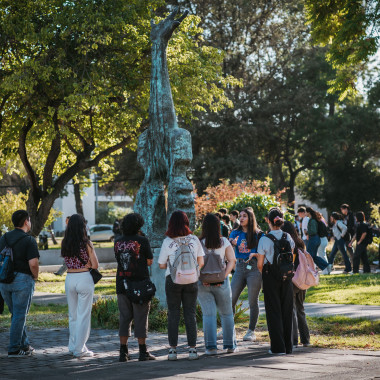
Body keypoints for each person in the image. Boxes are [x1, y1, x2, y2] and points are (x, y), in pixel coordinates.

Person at [158, 211, 204, 361]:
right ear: (187, 222)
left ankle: (172, 351)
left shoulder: (167, 242)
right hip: (191, 280)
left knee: (173, 313)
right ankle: (192, 350)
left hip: (173, 281)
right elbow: (201, 262)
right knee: (190, 313)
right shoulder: (194, 239)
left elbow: (161, 265)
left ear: (170, 223)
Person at [114, 213, 156, 362]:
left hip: (122, 283)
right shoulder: (142, 240)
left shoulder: (117, 242)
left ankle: (123, 352)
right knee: (141, 316)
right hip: (140, 284)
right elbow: (150, 261)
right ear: (138, 226)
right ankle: (142, 351)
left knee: (124, 318)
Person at [0, 210, 39, 357]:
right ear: (26, 221)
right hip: (22, 280)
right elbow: (33, 263)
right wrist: (35, 277)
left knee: (16, 314)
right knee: (19, 315)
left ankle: (25, 344)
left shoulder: (3, 238)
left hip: (4, 281)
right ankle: (14, 348)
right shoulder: (29, 240)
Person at [197, 213, 237, 355]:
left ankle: (211, 347)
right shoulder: (224, 241)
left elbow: (196, 264)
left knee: (209, 315)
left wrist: (203, 278)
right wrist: (223, 276)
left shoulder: (199, 242)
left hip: (203, 283)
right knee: (226, 314)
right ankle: (230, 345)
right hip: (222, 283)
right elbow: (232, 260)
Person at [256, 207, 294, 355]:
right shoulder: (288, 237)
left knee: (274, 312)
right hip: (287, 277)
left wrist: (265, 273)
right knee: (287, 311)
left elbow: (260, 264)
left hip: (270, 276)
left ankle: (277, 348)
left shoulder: (265, 239)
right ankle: (288, 346)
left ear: (269, 221)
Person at [61, 214, 99, 358]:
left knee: (73, 315)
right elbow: (95, 265)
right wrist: (88, 263)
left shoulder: (65, 242)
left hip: (70, 278)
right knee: (83, 315)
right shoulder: (87, 243)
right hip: (84, 278)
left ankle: (72, 346)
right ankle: (79, 349)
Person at [229, 208, 263, 342]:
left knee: (252, 301)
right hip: (239, 267)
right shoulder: (235, 232)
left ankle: (251, 331)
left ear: (251, 218)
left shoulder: (258, 234)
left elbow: (264, 253)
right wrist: (232, 242)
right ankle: (228, 328)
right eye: (240, 216)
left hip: (253, 269)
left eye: (245, 216)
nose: (241, 218)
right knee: (230, 299)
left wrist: (255, 254)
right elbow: (229, 240)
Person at [281, 221, 311, 348]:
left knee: (291, 310)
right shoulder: (300, 242)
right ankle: (306, 339)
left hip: (292, 280)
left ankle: (293, 340)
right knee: (300, 310)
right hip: (302, 280)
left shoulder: (288, 243)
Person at [306, 207, 331, 273]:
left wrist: (307, 232)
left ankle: (326, 265)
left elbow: (314, 231)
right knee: (313, 256)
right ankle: (326, 265)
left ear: (308, 212)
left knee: (310, 255)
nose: (305, 213)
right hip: (315, 239)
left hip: (313, 239)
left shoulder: (312, 220)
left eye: (306, 212)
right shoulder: (313, 219)